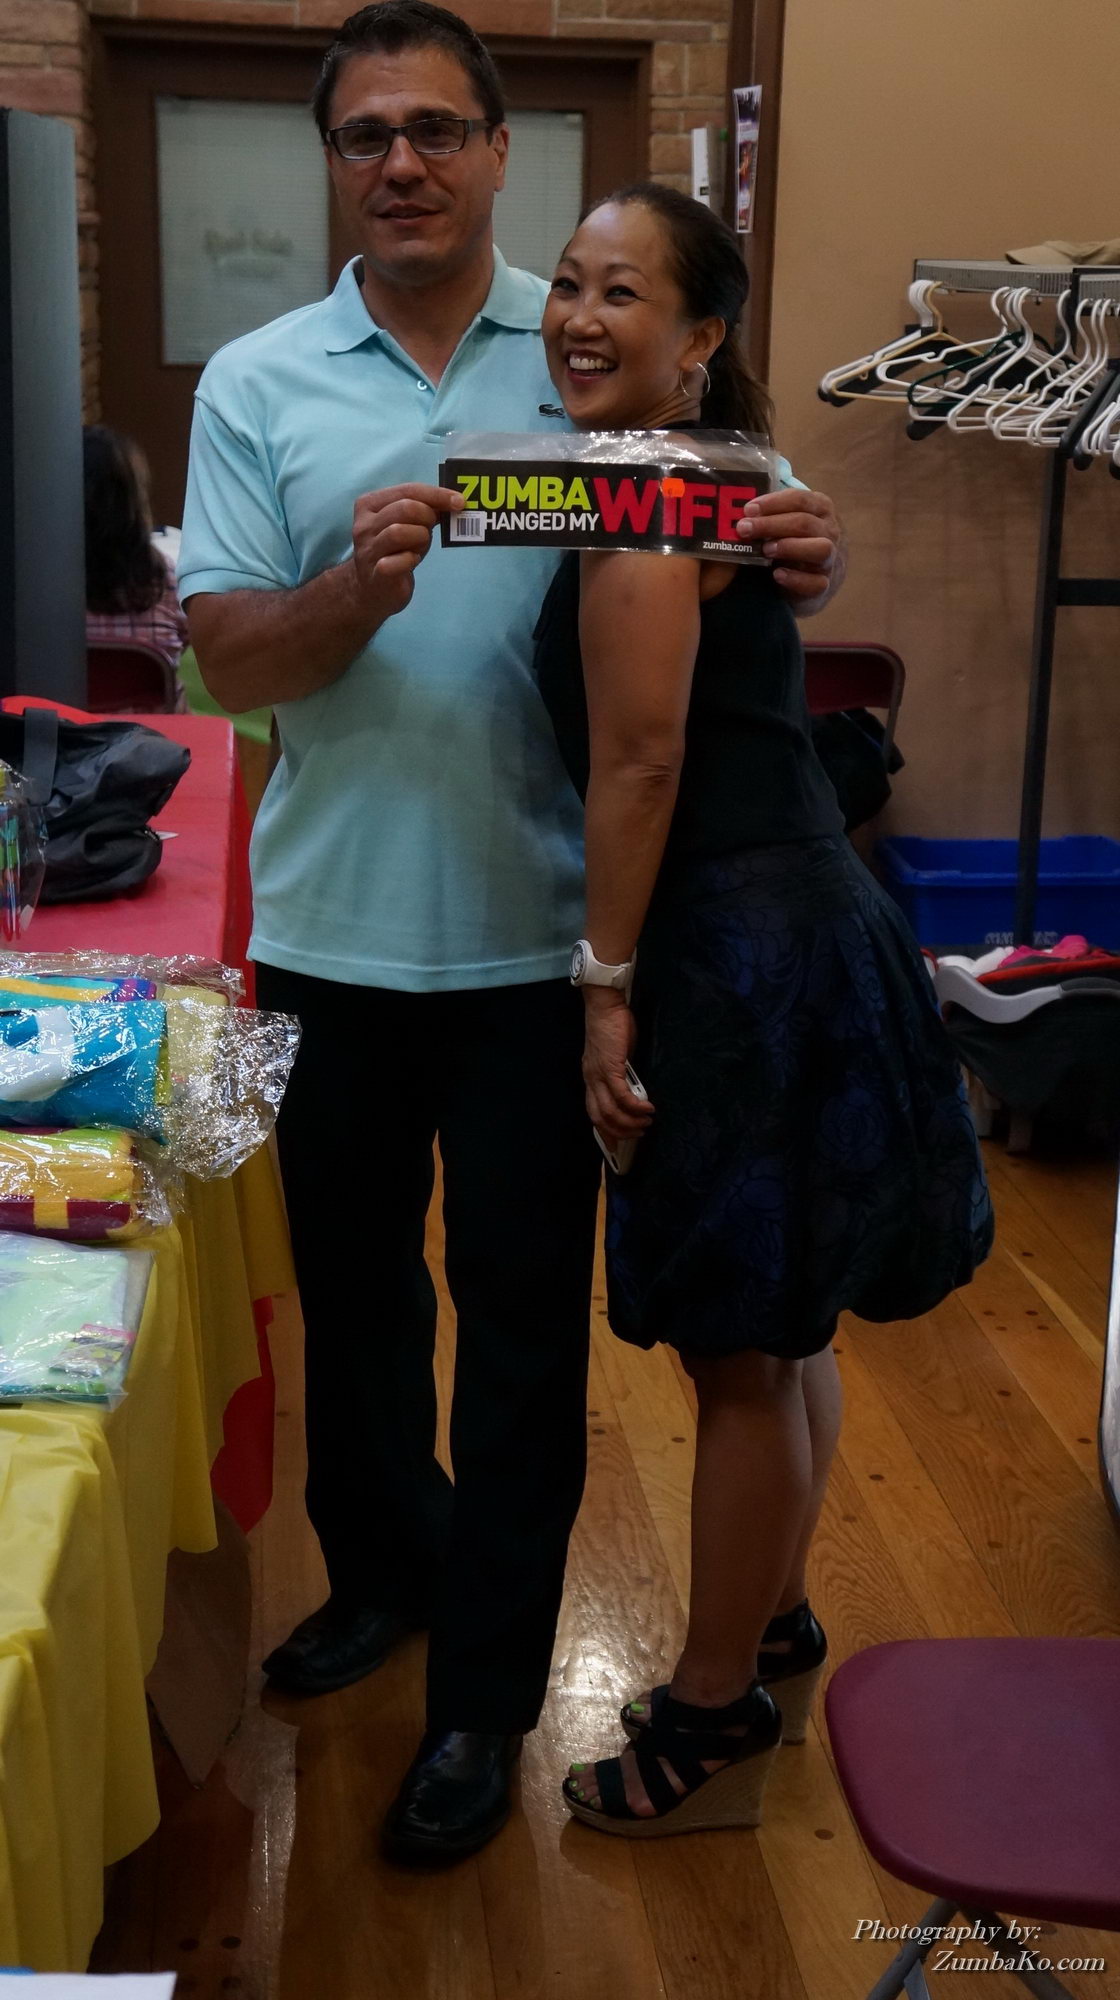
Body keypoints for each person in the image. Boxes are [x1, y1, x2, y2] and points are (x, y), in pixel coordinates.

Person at [178, 0, 847, 1865]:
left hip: (546, 949)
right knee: (356, 1312)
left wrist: (799, 548)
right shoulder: (257, 383)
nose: (401, 161)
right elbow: (227, 658)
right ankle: (383, 1574)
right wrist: (353, 590)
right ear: (335, 162)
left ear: (494, 152)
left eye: (436, 129)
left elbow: (733, 529)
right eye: (365, 134)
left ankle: (485, 1698)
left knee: (526, 1338)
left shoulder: (586, 342)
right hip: (328, 931)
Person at [530, 183, 994, 1836]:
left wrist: (601, 994)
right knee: (785, 1329)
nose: (580, 317)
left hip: (734, 947)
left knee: (739, 1351)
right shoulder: (706, 477)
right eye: (568, 284)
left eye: (623, 293)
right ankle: (773, 1613)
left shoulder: (657, 504)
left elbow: (641, 765)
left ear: (699, 337)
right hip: (808, 915)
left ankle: (710, 1708)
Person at [83, 425, 188, 696]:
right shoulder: (167, 579)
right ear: (136, 502)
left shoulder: (35, 588)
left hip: (65, 721)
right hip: (154, 723)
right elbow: (186, 640)